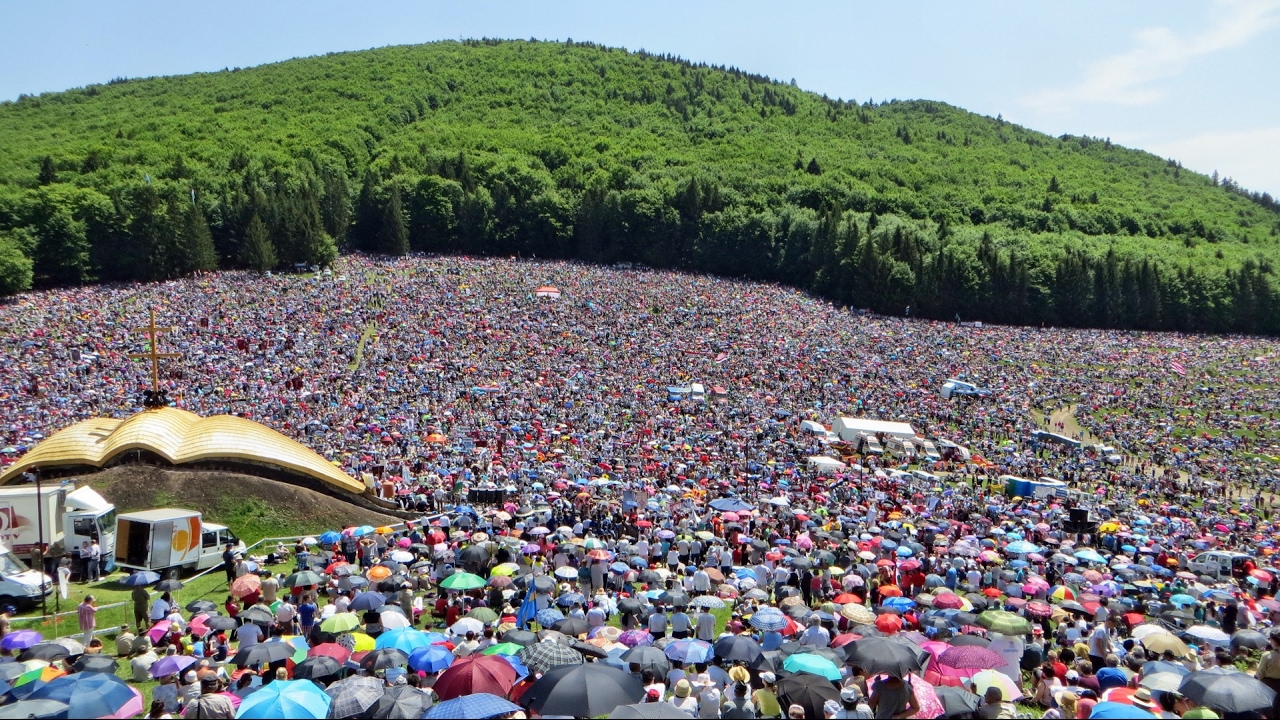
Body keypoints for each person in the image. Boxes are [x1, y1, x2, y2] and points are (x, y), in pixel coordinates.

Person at [1254, 628, 1280, 717]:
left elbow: (1260, 674)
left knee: (1268, 712)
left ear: (1273, 640)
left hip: (1268, 687)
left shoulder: (1267, 656)